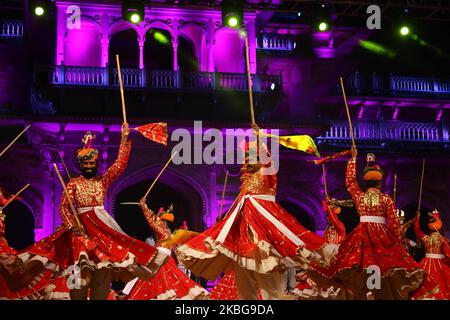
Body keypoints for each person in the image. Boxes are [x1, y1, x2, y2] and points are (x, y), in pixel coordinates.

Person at [177, 126, 336, 300]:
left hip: (266, 236)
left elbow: (268, 160)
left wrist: (259, 140)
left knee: (271, 290)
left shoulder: (267, 174)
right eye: (246, 159)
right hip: (244, 242)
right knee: (245, 291)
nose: (247, 161)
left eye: (252, 157)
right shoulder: (246, 181)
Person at [18, 125, 170, 300]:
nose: (89, 166)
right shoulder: (73, 184)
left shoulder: (102, 181)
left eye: (92, 163)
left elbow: (119, 166)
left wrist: (124, 139)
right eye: (86, 164)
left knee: (101, 276)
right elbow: (64, 207)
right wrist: (72, 226)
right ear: (81, 165)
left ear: (96, 165)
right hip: (79, 234)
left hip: (101, 231)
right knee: (77, 280)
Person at [308, 149, 426, 300]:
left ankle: (364, 294)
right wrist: (397, 243)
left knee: (360, 267)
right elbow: (395, 224)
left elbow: (350, 182)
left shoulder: (360, 196)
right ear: (379, 182)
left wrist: (353, 159)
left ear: (366, 181)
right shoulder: (386, 199)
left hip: (362, 234)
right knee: (383, 270)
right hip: (382, 237)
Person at [120, 198, 208, 300]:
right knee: (167, 277)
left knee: (147, 276)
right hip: (166, 255)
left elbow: (150, 219)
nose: (158, 221)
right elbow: (153, 220)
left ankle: (129, 292)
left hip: (161, 255)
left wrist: (144, 206)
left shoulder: (162, 229)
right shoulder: (168, 230)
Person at [412, 210, 450, 299]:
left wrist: (417, 218)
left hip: (426, 263)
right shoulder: (442, 240)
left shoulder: (425, 238)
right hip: (440, 264)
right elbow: (448, 254)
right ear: (439, 225)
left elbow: (417, 230)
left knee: (424, 283)